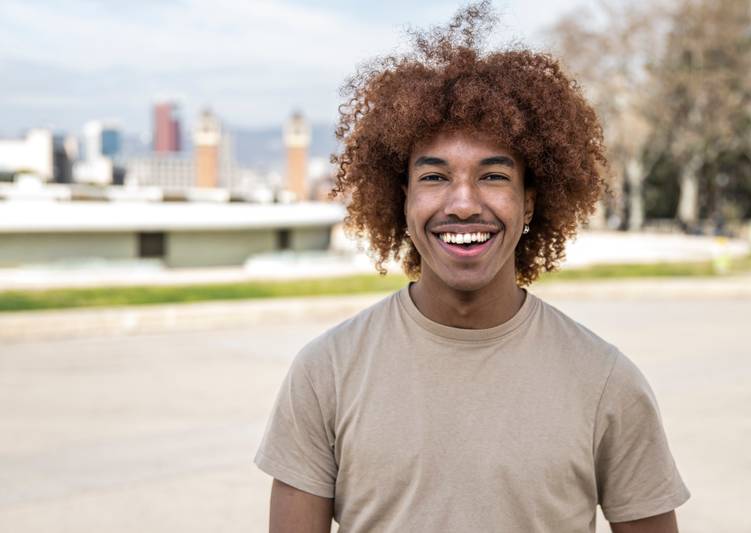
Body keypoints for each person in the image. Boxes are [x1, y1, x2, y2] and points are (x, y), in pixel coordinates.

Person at [255, 3, 690, 532]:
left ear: (530, 201)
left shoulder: (606, 382)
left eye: (493, 176)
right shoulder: (325, 373)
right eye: (435, 177)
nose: (462, 204)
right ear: (403, 200)